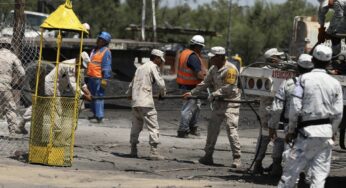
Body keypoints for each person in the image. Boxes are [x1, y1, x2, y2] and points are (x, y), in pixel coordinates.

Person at [278, 44, 343, 188]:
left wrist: (291, 130)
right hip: (325, 134)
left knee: (290, 175)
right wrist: (331, 132)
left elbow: (295, 107)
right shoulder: (335, 84)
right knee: (318, 178)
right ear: (328, 62)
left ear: (313, 59)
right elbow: (338, 113)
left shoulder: (303, 80)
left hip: (305, 133)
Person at [184, 46, 242, 168]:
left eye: (213, 57)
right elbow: (205, 83)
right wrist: (193, 92)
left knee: (230, 129)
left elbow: (229, 87)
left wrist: (215, 94)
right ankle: (208, 156)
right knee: (212, 129)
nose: (211, 59)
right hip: (218, 103)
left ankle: (237, 158)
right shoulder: (213, 69)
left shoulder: (231, 69)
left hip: (231, 103)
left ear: (220, 57)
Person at [267, 54, 314, 176]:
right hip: (313, 127)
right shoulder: (319, 85)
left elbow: (277, 108)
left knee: (290, 156)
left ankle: (282, 173)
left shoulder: (288, 84)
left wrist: (272, 126)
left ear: (297, 68)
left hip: (291, 127)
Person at [20, 54, 92, 131]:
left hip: (57, 87)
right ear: (79, 60)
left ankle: (22, 122)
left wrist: (88, 93)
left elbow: (81, 82)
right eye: (82, 65)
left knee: (40, 104)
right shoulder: (69, 65)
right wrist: (84, 95)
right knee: (56, 106)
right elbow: (73, 85)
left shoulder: (79, 67)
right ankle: (56, 129)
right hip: (51, 85)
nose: (82, 68)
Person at [127, 49, 166, 160]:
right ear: (156, 58)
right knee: (153, 127)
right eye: (160, 60)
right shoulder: (153, 66)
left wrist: (129, 94)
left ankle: (133, 150)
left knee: (136, 126)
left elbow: (132, 83)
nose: (161, 62)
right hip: (146, 103)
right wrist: (162, 94)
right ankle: (153, 152)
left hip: (135, 102)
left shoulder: (140, 68)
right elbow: (161, 83)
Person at [253, 48, 287, 174]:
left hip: (264, 110)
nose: (281, 60)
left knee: (264, 136)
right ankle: (276, 167)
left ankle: (258, 164)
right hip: (273, 110)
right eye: (278, 57)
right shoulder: (274, 72)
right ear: (273, 59)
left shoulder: (264, 71)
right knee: (278, 137)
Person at [176, 35, 207, 138]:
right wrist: (207, 79)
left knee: (196, 107)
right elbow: (198, 74)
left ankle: (193, 127)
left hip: (185, 85)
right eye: (201, 47)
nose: (201, 49)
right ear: (197, 46)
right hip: (190, 87)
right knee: (188, 109)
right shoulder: (193, 56)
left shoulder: (184, 53)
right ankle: (183, 130)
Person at [86, 31, 112, 123]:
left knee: (99, 96)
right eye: (99, 39)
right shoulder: (94, 50)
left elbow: (107, 67)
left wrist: (105, 79)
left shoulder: (106, 51)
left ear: (105, 42)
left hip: (99, 78)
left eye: (102, 40)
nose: (99, 41)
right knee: (92, 96)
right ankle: (94, 114)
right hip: (92, 77)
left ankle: (99, 116)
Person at [0, 47, 26, 135]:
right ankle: (13, 131)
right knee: (10, 108)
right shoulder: (12, 56)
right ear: (10, 46)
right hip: (4, 86)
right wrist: (18, 82)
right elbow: (22, 73)